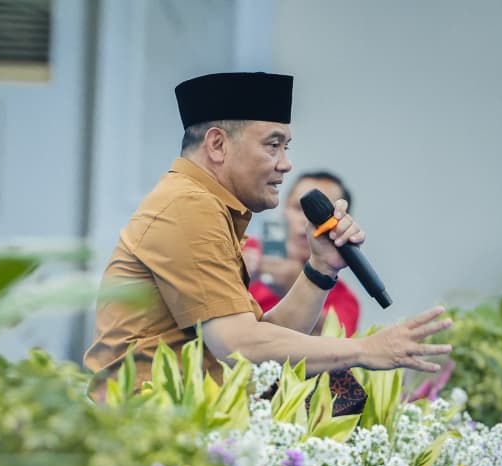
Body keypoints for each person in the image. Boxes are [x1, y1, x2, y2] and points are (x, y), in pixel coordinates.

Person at [83, 71, 450, 389]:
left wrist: (321, 267)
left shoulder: (204, 205)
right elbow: (239, 345)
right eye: (273, 145)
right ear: (217, 145)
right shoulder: (188, 205)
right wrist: (363, 350)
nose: (286, 164)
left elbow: (261, 340)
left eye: (286, 147)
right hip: (147, 428)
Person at [245, 170, 360, 337]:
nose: (307, 220)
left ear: (342, 224)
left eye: (322, 214)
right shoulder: (243, 249)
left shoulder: (344, 298)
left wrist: (299, 286)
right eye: (299, 208)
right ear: (284, 210)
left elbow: (334, 342)